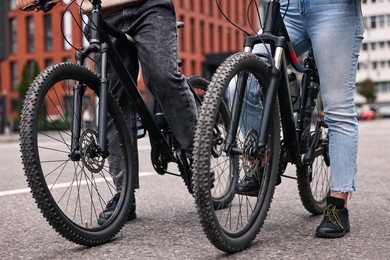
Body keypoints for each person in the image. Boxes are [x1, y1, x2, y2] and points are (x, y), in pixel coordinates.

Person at [17, 0, 198, 224]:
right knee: (113, 98)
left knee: (162, 77)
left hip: (148, 8)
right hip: (102, 13)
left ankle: (199, 158)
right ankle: (124, 195)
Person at [237, 0, 364, 238]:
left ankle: (338, 205)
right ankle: (260, 161)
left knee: (337, 106)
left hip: (333, 8)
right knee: (246, 79)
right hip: (287, 7)